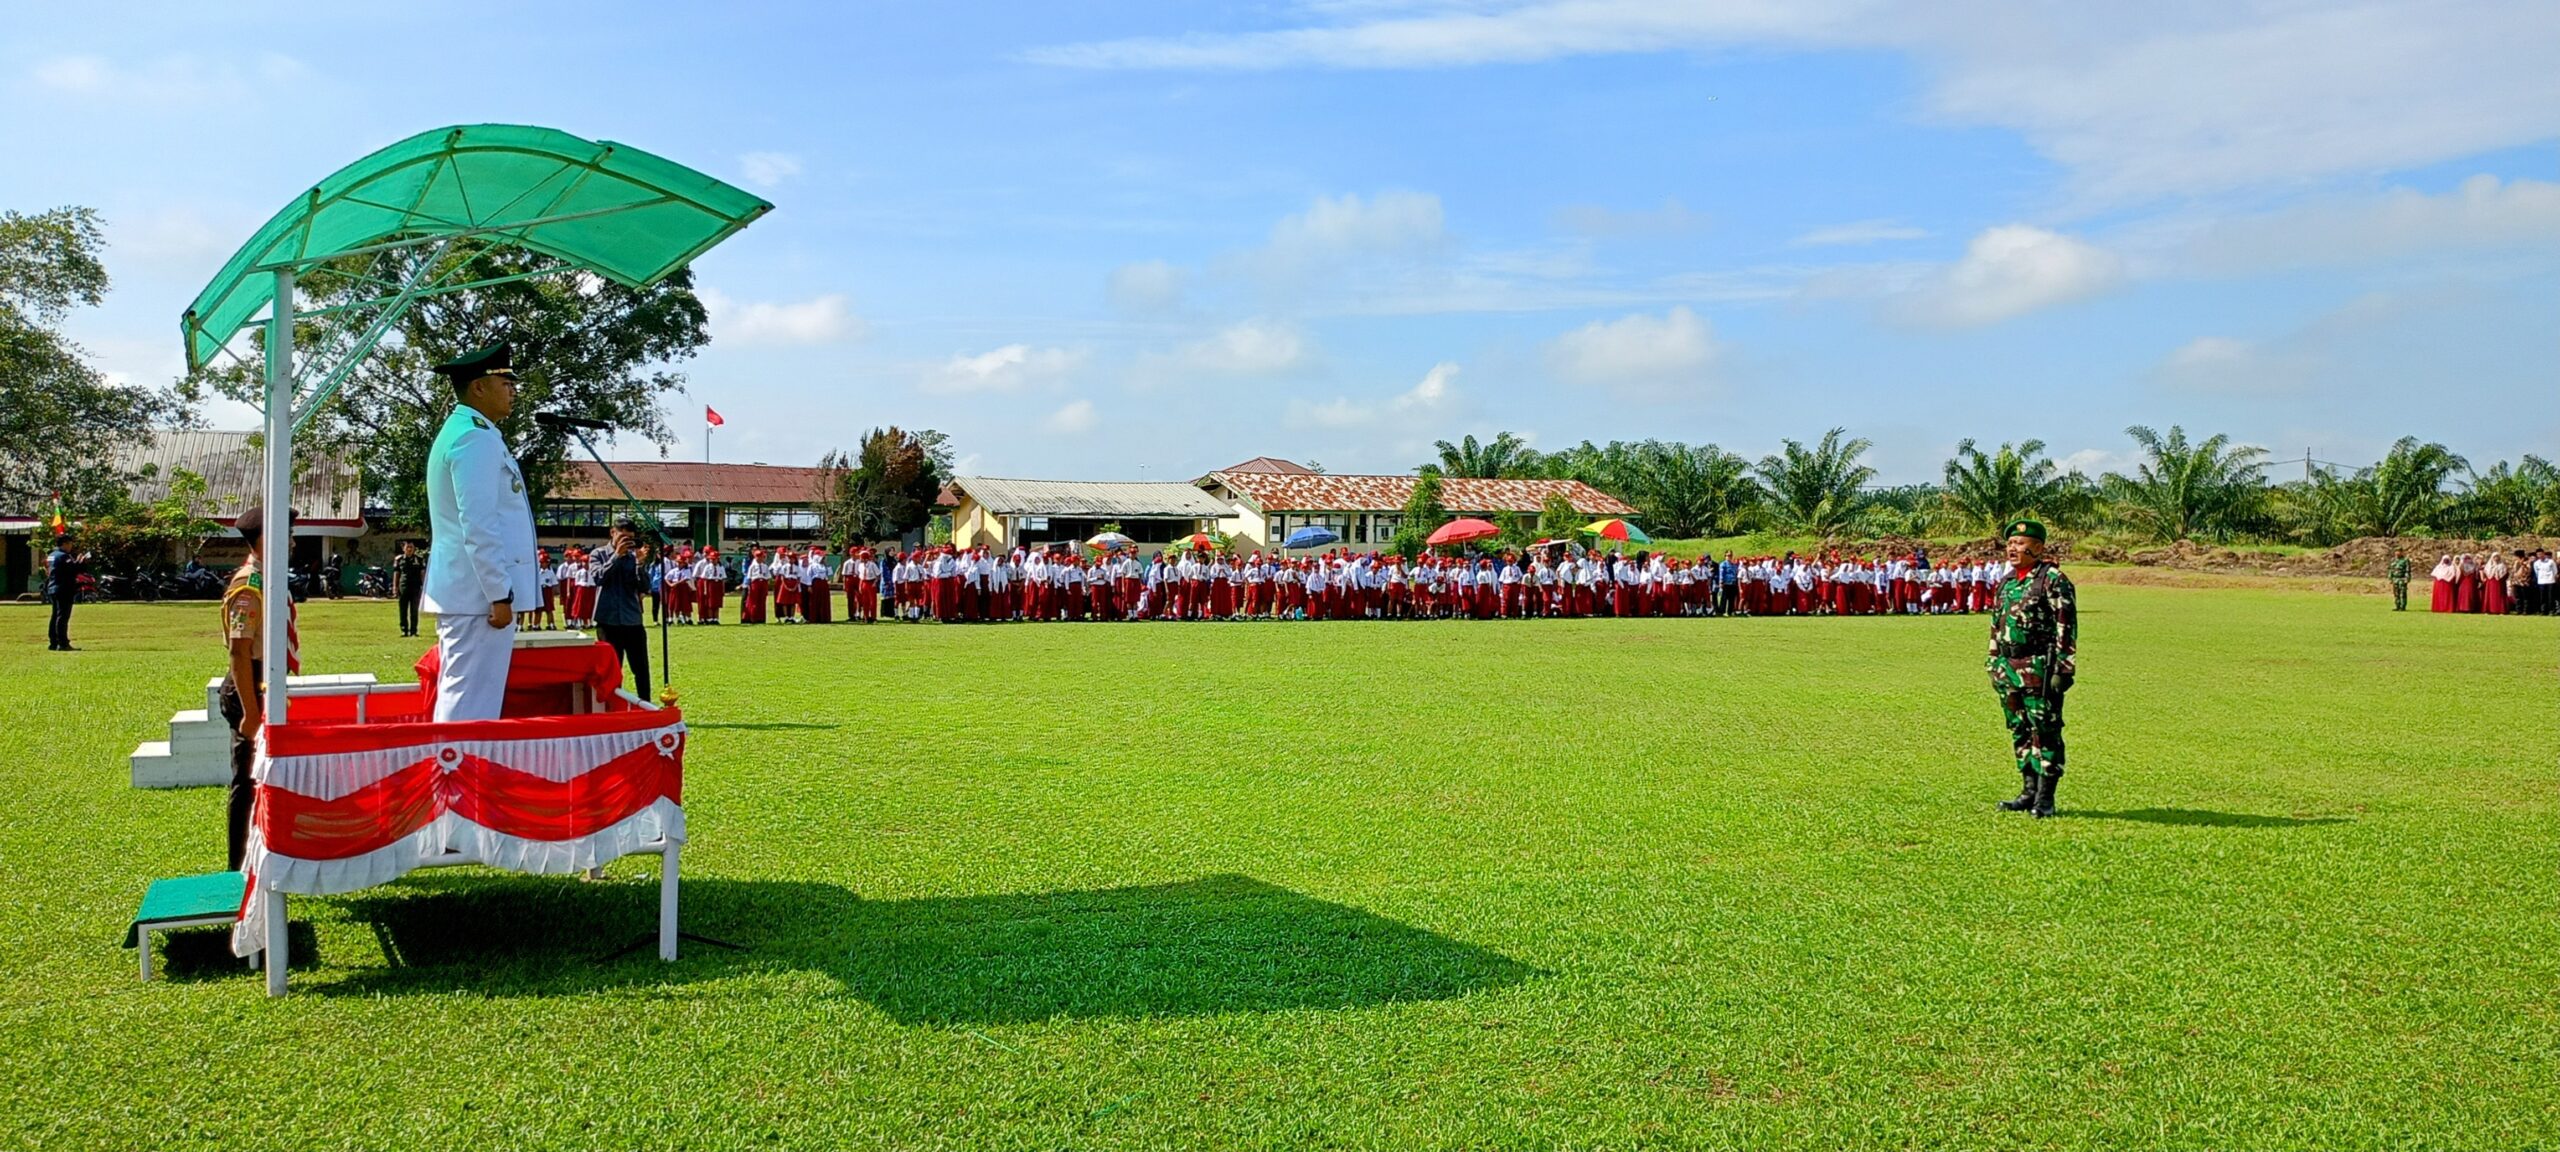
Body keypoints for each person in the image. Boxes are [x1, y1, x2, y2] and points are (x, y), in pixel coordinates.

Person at [419, 343, 539, 723]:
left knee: (469, 697)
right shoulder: (473, 438)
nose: (513, 389)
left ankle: (459, 776)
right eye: (505, 381)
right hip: (479, 598)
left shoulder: (473, 432)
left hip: (472, 594)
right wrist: (498, 592)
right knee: (471, 701)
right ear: (478, 387)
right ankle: (455, 778)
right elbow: (479, 523)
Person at [219, 505, 296, 869]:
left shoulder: (268, 578)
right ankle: (239, 870)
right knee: (248, 781)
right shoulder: (250, 586)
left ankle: (263, 858)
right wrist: (251, 712)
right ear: (266, 538)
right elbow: (239, 650)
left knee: (262, 777)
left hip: (266, 680)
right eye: (287, 534)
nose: (292, 542)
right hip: (251, 683)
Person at [1987, 519, 2077, 818]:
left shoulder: (2053, 579)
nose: (2013, 548)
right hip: (2008, 667)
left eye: (2020, 544)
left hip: (2039, 668)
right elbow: (1996, 625)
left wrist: (2063, 669)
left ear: (2037, 548)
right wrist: (1993, 662)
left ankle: (2045, 798)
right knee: (2019, 728)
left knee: (2045, 730)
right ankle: (2027, 791)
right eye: (2010, 543)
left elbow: (2066, 626)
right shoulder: (2007, 582)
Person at [593, 522, 651, 701]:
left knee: (641, 668)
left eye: (630, 538)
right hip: (607, 620)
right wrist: (616, 556)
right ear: (612, 533)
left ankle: (646, 706)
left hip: (632, 619)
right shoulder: (598, 554)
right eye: (622, 536)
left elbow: (644, 587)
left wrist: (640, 565)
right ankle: (611, 705)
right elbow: (599, 578)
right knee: (612, 668)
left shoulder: (634, 557)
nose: (626, 541)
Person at [43, 535, 83, 651]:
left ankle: (53, 642)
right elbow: (73, 570)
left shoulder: (51, 555)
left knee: (55, 615)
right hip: (64, 588)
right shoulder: (64, 556)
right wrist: (80, 562)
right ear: (65, 544)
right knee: (63, 616)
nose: (71, 546)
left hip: (52, 587)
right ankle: (63, 643)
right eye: (70, 544)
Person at [391, 540, 426, 637]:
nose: (409, 549)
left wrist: (424, 586)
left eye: (411, 547)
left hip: (415, 587)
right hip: (403, 587)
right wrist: (395, 587)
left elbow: (422, 574)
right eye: (407, 547)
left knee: (414, 610)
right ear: (403, 549)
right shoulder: (399, 559)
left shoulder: (419, 559)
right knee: (403, 610)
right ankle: (404, 630)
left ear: (414, 549)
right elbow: (396, 573)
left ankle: (414, 631)